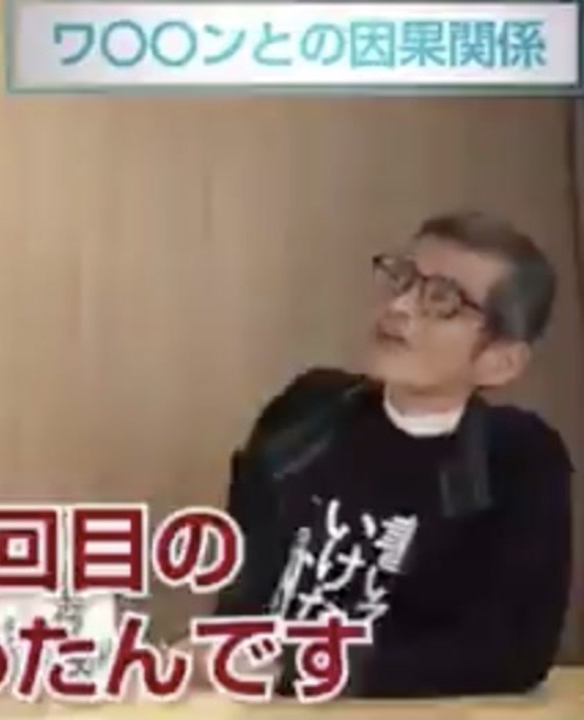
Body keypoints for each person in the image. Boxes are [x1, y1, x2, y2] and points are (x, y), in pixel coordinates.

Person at [205, 211, 573, 698]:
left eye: (441, 299)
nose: (399, 307)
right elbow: (242, 592)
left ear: (499, 362)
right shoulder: (305, 413)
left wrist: (296, 665)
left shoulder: (518, 459)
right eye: (402, 279)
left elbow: (511, 653)